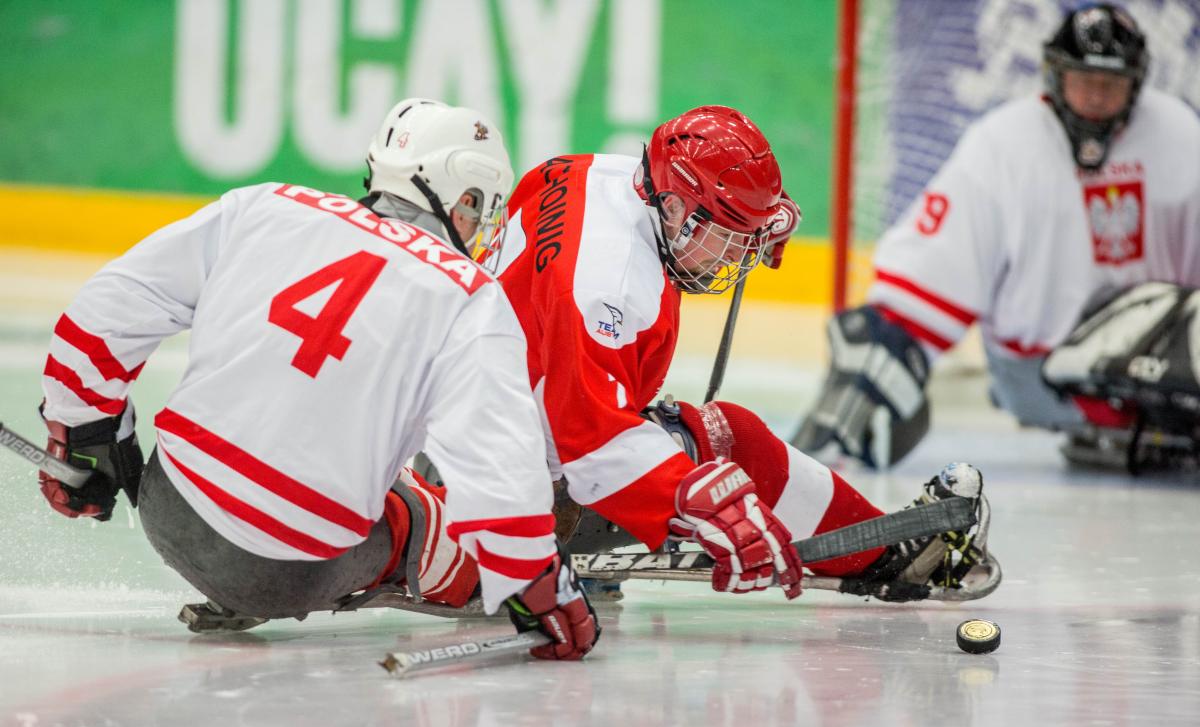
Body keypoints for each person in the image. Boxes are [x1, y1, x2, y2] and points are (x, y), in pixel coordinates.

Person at [36, 98, 599, 660]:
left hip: (167, 508)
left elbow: (110, 309)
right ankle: (436, 568)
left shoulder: (265, 206)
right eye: (482, 210)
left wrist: (84, 434)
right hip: (295, 571)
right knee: (425, 513)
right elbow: (496, 462)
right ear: (466, 197)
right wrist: (539, 583)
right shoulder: (471, 297)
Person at [450, 104, 995, 603]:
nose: (742, 254)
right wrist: (694, 501)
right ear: (676, 209)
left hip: (477, 432)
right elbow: (591, 446)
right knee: (728, 441)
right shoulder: (605, 286)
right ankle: (885, 558)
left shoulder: (586, 172)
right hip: (501, 496)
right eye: (732, 234)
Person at [794, 3, 1200, 471]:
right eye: (1083, 81)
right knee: (873, 346)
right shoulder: (1005, 142)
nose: (1094, 97)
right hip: (1044, 373)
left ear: (1137, 83)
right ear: (1054, 75)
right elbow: (918, 288)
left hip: (1159, 368)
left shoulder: (1179, 133)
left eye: (1110, 85)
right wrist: (876, 358)